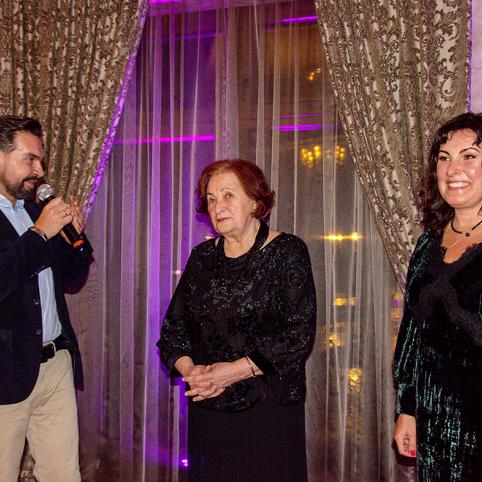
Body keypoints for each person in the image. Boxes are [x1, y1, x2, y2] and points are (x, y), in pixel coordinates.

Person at [157, 159, 316, 482]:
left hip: (268, 410)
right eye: (211, 199)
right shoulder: (201, 257)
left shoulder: (288, 252)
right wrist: (192, 372)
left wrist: (232, 371)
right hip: (209, 405)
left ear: (255, 202)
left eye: (228, 195)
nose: (217, 206)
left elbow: (298, 335)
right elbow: (174, 329)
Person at [0, 115, 93, 482]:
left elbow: (69, 280)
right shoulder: (39, 224)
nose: (39, 171)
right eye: (29, 159)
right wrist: (40, 235)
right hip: (5, 372)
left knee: (63, 474)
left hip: (54, 365)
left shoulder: (34, 211)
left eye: (41, 160)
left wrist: (76, 241)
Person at [393, 112, 482, 480]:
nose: (453, 169)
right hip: (432, 424)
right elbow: (412, 333)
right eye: (444, 158)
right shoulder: (428, 241)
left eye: (469, 156)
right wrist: (407, 408)